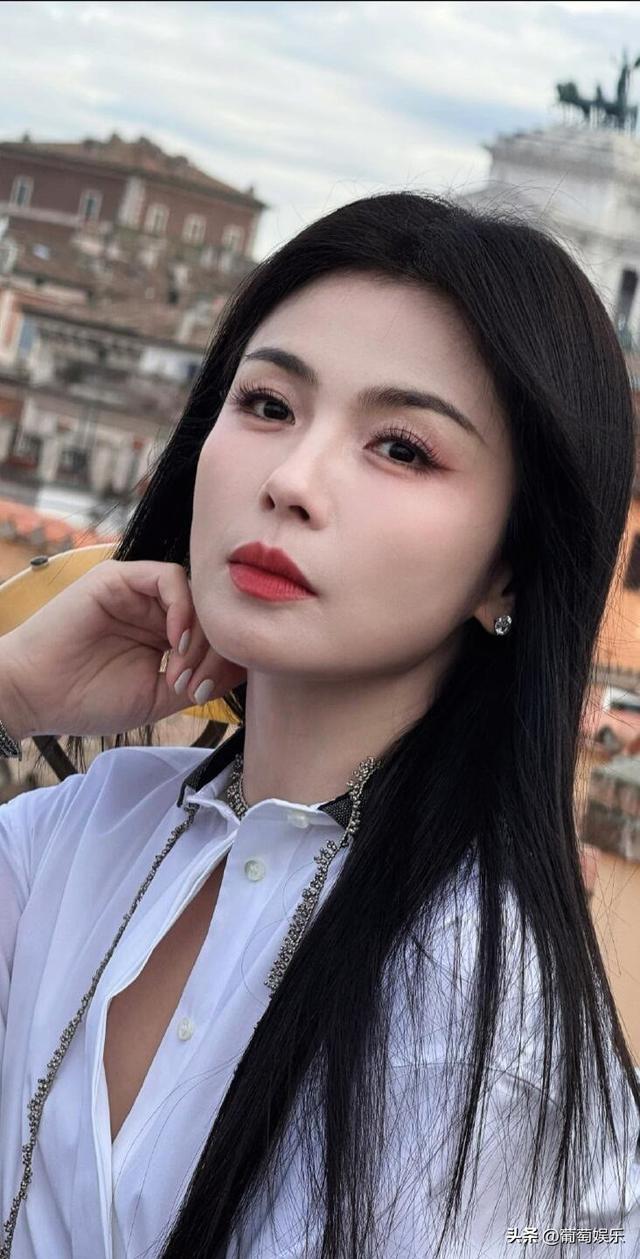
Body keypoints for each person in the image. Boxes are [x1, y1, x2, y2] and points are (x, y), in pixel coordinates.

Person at [0, 190, 639, 1259]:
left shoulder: (484, 1029)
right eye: (266, 404)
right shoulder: (89, 834)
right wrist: (13, 690)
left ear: (511, 564)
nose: (291, 481)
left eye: (401, 447)